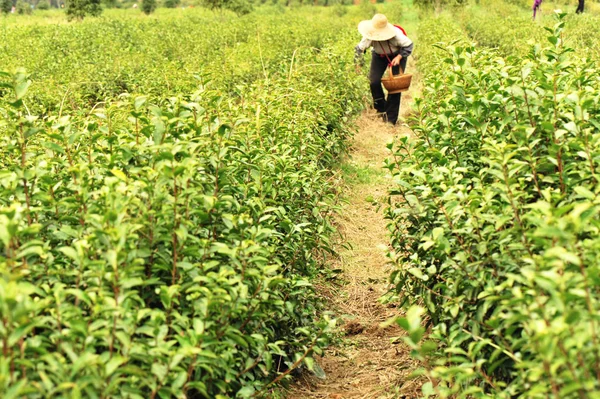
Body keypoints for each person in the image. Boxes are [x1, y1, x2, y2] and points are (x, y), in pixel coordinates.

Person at [355, 14, 414, 125]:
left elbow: (409, 45)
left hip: (397, 55)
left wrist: (399, 57)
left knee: (395, 86)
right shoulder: (370, 35)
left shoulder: (396, 34)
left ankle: (390, 119)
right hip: (379, 56)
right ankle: (381, 109)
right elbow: (359, 49)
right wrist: (358, 64)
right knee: (374, 81)